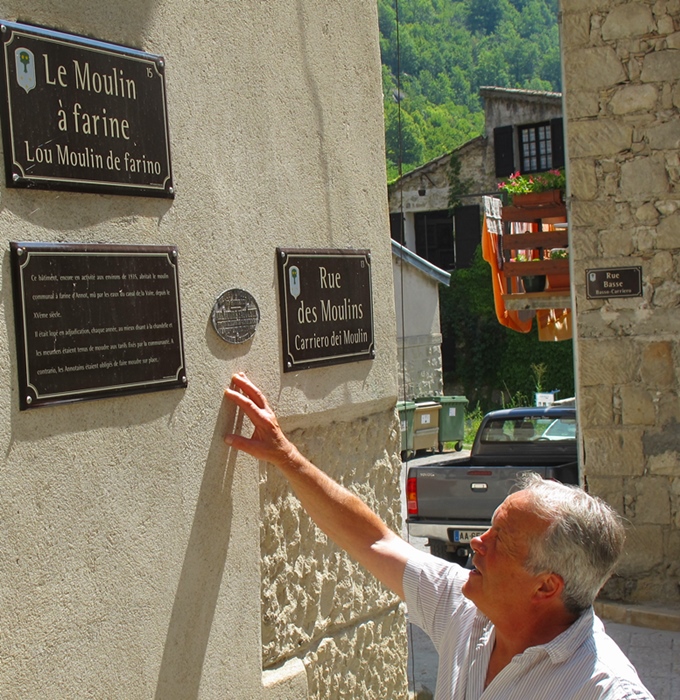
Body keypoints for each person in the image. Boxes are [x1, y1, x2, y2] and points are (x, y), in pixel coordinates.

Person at [223, 372, 654, 700]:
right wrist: (285, 455)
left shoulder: (604, 690)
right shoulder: (465, 609)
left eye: (500, 540)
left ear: (546, 585)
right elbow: (374, 540)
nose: (476, 544)